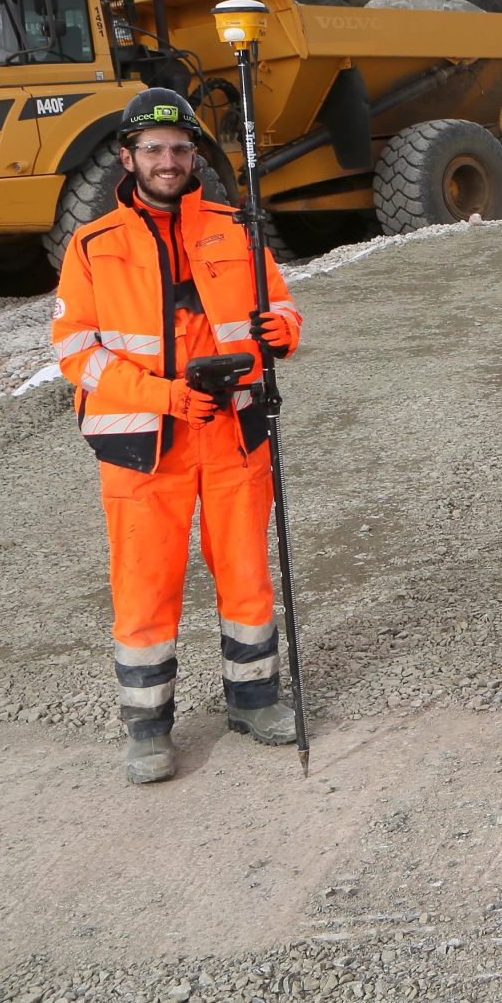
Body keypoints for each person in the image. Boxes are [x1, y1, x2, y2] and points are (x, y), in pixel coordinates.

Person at [49, 87, 300, 786]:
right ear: (128, 158)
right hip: (141, 444)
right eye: (153, 149)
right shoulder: (93, 244)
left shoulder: (235, 227)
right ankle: (149, 729)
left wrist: (285, 331)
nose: (168, 160)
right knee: (144, 586)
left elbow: (277, 304)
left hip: (232, 434)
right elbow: (77, 353)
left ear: (195, 157)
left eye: (181, 149)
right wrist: (164, 396)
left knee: (246, 574)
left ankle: (255, 702)